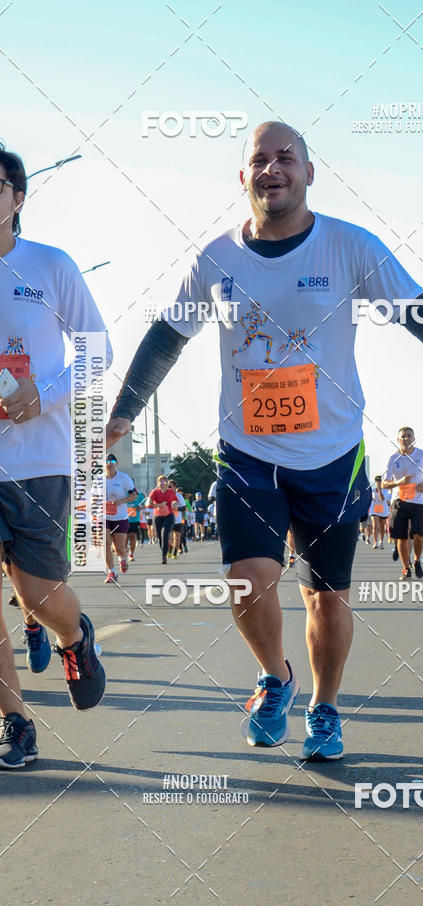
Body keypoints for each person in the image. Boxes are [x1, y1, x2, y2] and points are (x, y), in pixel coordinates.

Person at [105, 121, 423, 760]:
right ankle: (274, 678)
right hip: (248, 454)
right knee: (247, 577)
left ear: (310, 173)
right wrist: (124, 410)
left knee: (326, 596)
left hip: (332, 458)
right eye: (259, 160)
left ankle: (324, 707)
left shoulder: (350, 247)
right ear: (243, 177)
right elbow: (166, 336)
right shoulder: (215, 259)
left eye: (286, 157)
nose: (272, 169)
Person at [0, 142, 108, 766]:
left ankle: (74, 634)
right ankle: (15, 720)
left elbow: (97, 351)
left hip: (38, 460)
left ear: (17, 197)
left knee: (38, 596)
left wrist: (45, 394)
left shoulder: (50, 265)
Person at [383, 428, 423, 580]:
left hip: (418, 501)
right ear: (398, 440)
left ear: (413, 438)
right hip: (399, 501)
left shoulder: (422, 455)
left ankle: (417, 561)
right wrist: (399, 482)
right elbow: (385, 483)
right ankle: (406, 568)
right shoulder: (393, 459)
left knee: (418, 534)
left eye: (409, 436)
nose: (406, 439)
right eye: (403, 436)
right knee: (402, 537)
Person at [101, 454, 137, 583]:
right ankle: (112, 572)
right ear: (103, 464)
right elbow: (93, 497)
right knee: (105, 543)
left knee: (119, 549)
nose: (109, 463)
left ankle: (122, 558)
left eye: (112, 461)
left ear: (116, 464)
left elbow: (134, 495)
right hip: (103, 516)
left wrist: (121, 501)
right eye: (107, 461)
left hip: (120, 517)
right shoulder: (98, 479)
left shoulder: (124, 478)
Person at [147, 476, 178, 564]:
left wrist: (175, 503)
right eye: (160, 482)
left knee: (165, 534)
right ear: (158, 483)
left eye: (164, 482)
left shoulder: (170, 491)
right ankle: (167, 548)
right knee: (160, 537)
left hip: (169, 516)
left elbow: (175, 500)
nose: (162, 484)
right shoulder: (154, 492)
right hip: (157, 517)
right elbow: (149, 504)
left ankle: (164, 557)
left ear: (166, 483)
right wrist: (159, 505)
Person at [369, 475, 390, 549]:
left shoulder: (385, 491)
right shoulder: (372, 490)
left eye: (379, 481)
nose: (378, 482)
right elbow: (370, 499)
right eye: (377, 481)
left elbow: (382, 499)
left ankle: (381, 541)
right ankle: (375, 542)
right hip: (374, 509)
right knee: (375, 525)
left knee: (382, 527)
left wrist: (379, 490)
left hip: (383, 510)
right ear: (375, 482)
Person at [127, 489, 147, 560]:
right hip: (123, 519)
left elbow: (145, 505)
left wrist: (140, 507)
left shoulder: (139, 495)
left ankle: (131, 554)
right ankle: (124, 552)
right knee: (124, 538)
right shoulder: (122, 493)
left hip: (134, 520)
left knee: (133, 536)